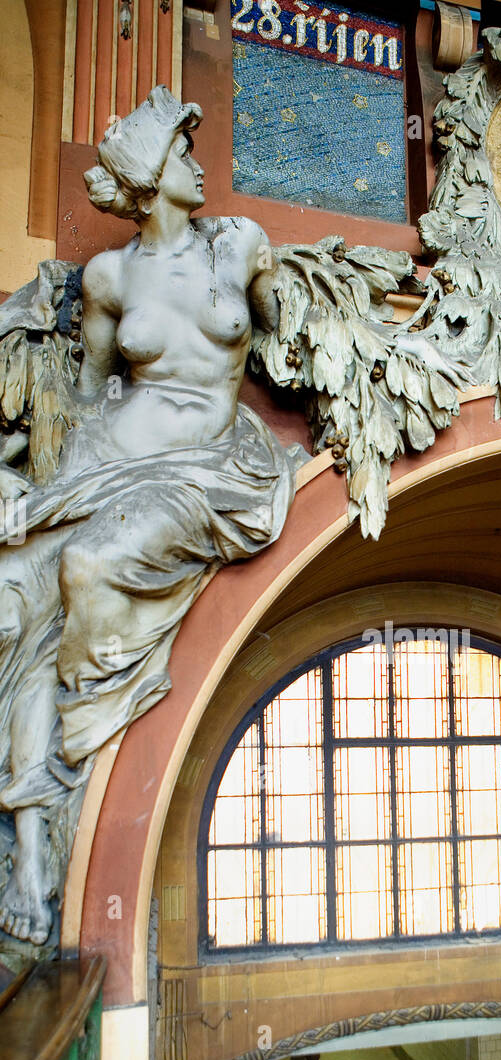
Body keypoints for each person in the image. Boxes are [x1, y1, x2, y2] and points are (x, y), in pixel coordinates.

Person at [0, 85, 297, 943]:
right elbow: (88, 391)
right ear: (146, 176)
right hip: (108, 459)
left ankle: (75, 737)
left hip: (205, 469)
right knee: (16, 605)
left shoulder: (240, 243)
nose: (199, 164)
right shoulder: (109, 274)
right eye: (181, 152)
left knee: (85, 569)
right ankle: (29, 840)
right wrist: (30, 475)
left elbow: (286, 339)